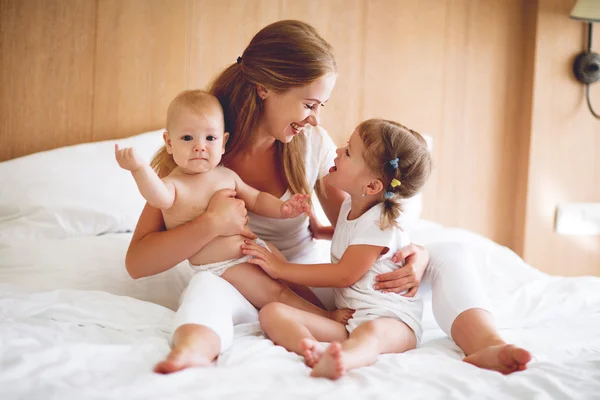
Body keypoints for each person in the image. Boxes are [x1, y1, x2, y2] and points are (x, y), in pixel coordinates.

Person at [125, 19, 531, 375]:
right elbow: (138, 262)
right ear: (265, 87)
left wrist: (413, 251)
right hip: (243, 282)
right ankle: (192, 352)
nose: (316, 118)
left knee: (451, 253)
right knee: (205, 289)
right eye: (309, 103)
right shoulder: (199, 148)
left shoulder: (311, 144)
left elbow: (355, 224)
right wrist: (210, 224)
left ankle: (487, 345)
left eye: (321, 105)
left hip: (309, 282)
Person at [115, 90, 352, 373]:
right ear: (168, 142)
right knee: (275, 293)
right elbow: (157, 197)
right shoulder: (175, 184)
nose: (200, 147)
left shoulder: (226, 175)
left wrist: (284, 208)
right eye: (187, 138)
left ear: (223, 141)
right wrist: (139, 169)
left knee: (289, 280)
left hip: (255, 249)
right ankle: (191, 349)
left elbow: (256, 199)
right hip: (225, 266)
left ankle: (322, 314)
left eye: (210, 139)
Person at [242, 119, 432, 379]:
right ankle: (308, 349)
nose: (338, 152)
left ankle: (346, 358)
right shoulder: (350, 207)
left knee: (371, 335)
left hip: (392, 321)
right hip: (349, 321)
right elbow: (351, 238)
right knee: (271, 313)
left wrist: (282, 270)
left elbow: (345, 274)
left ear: (372, 187)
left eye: (349, 152)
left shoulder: (379, 224)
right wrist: (321, 230)